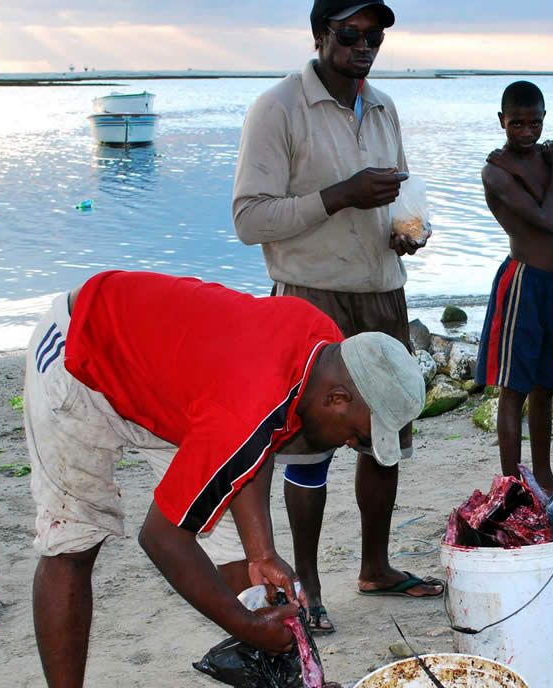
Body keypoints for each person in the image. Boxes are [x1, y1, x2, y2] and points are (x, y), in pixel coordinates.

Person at [22, 270, 424, 688]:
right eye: (355, 434)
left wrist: (262, 550)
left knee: (236, 544)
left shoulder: (325, 345)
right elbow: (162, 538)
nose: (351, 445)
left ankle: (266, 680)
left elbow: (258, 439)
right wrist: (246, 625)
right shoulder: (247, 405)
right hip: (80, 355)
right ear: (336, 398)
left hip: (173, 383)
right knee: (74, 540)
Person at [230, 0, 441, 635]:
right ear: (321, 34)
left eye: (375, 35)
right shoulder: (279, 108)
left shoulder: (383, 108)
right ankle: (309, 584)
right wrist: (341, 195)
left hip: (381, 290)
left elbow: (398, 197)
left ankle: (375, 567)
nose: (365, 45)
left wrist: (405, 233)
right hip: (308, 301)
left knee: (385, 442)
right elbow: (249, 219)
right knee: (307, 451)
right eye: (351, 33)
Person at [476, 80, 553, 500]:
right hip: (523, 282)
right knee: (514, 388)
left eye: (535, 123)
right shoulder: (496, 171)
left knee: (547, 384)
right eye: (517, 124)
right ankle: (513, 485)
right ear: (501, 122)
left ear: (545, 118)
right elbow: (547, 219)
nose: (527, 132)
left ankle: (544, 477)